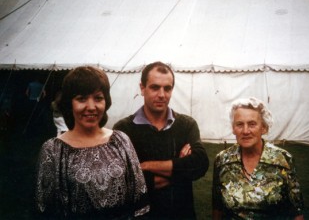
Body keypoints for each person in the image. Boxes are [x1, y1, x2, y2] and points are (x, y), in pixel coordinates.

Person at [35, 66, 149, 219]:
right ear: (70, 103)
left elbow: (140, 201)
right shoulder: (53, 150)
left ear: (106, 101)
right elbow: (45, 211)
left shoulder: (121, 141)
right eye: (81, 99)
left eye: (98, 98)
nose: (91, 107)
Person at [113, 61, 209, 219]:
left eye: (167, 88)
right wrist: (180, 168)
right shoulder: (124, 129)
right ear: (142, 88)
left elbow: (200, 163)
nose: (162, 95)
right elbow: (124, 182)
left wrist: (145, 166)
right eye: (155, 87)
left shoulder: (186, 125)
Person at [212, 97, 304, 220]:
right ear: (233, 128)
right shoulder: (222, 160)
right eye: (239, 124)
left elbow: (296, 212)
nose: (245, 131)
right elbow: (217, 208)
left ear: (264, 128)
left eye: (252, 124)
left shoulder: (283, 160)